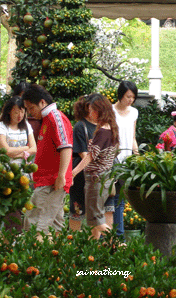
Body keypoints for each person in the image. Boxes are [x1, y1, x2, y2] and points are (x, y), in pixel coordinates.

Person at [22, 84, 73, 235]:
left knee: (35, 222)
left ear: (42, 102)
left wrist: (62, 176)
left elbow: (66, 147)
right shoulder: (46, 119)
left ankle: (35, 255)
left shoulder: (55, 117)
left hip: (51, 181)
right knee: (55, 224)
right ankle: (57, 255)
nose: (29, 112)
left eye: (31, 108)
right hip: (48, 180)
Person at [72, 94, 119, 239]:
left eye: (92, 110)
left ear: (100, 110)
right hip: (105, 178)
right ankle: (95, 250)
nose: (90, 113)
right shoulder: (112, 128)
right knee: (95, 219)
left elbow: (90, 156)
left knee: (95, 219)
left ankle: (118, 245)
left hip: (96, 179)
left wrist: (73, 172)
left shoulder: (103, 131)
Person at [0, 96, 37, 233]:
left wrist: (19, 151)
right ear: (9, 111)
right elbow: (6, 151)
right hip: (7, 174)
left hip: (24, 173)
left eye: (22, 111)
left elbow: (34, 148)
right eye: (16, 112)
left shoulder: (27, 126)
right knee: (11, 207)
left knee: (25, 204)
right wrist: (25, 149)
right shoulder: (2, 126)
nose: (20, 115)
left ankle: (23, 234)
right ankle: (12, 236)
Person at [113, 81, 139, 239]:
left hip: (127, 161)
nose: (130, 100)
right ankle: (113, 235)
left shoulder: (134, 112)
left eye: (133, 97)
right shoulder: (110, 110)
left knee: (120, 199)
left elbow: (133, 137)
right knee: (112, 198)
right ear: (120, 95)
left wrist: (137, 155)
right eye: (128, 96)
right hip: (113, 159)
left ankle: (118, 235)